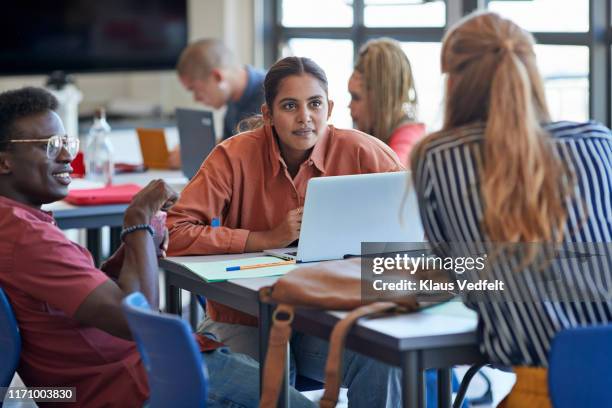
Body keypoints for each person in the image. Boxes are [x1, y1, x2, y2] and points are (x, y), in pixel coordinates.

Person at [0, 87, 314, 407]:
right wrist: (138, 221)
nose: (67, 156)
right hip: (144, 381)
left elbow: (93, 292)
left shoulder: (15, 223)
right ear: (4, 162)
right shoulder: (27, 238)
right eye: (50, 146)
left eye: (66, 143)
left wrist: (139, 241)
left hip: (126, 374)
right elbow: (141, 321)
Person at [167, 57, 404, 407]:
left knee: (384, 359)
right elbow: (175, 232)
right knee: (265, 390)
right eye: (290, 106)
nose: (305, 117)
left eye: (315, 104)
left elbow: (417, 218)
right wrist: (261, 239)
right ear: (268, 114)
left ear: (330, 108)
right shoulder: (233, 156)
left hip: (323, 322)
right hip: (247, 318)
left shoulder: (363, 152)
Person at [410, 12, 612, 407]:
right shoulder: (598, 140)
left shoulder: (439, 156)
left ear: (454, 82)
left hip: (551, 389)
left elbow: (457, 276)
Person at [168, 39, 266, 168]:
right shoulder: (232, 99)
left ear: (217, 77)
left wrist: (199, 156)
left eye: (195, 89)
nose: (196, 99)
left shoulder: (271, 93)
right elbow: (229, 144)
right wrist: (193, 150)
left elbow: (258, 157)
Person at [348, 38, 425, 165]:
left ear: (379, 99)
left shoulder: (408, 140)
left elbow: (393, 176)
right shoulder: (377, 139)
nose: (349, 106)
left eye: (356, 97)